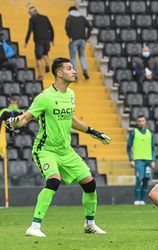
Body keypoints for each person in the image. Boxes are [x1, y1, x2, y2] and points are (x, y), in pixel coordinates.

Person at [5, 57, 111, 237]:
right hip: (45, 149)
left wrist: (93, 131)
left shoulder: (70, 94)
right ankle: (34, 227)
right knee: (54, 181)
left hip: (65, 150)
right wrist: (14, 123)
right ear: (59, 73)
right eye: (70, 68)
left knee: (90, 184)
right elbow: (26, 118)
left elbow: (70, 119)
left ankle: (90, 224)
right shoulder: (45, 97)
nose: (74, 71)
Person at [127, 115, 156, 205]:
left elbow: (153, 148)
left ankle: (143, 200)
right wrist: (131, 159)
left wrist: (153, 160)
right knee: (139, 178)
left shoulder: (150, 133)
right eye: (139, 121)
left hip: (148, 160)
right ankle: (137, 200)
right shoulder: (133, 133)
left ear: (145, 121)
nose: (141, 122)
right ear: (137, 122)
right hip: (138, 160)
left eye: (143, 121)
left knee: (146, 179)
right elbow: (128, 147)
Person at [25, 6, 54, 80]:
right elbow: (51, 28)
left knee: (38, 58)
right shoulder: (45, 17)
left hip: (39, 40)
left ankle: (40, 75)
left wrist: (26, 41)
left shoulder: (32, 19)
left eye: (30, 13)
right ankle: (47, 64)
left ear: (32, 13)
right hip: (47, 39)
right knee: (45, 53)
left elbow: (29, 30)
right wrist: (52, 39)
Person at [65, 6, 92, 80]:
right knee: (82, 56)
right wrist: (87, 37)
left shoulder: (69, 18)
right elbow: (89, 27)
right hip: (83, 39)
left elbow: (67, 27)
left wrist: (69, 36)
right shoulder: (82, 17)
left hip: (74, 40)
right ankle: (85, 70)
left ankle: (75, 74)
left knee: (73, 57)